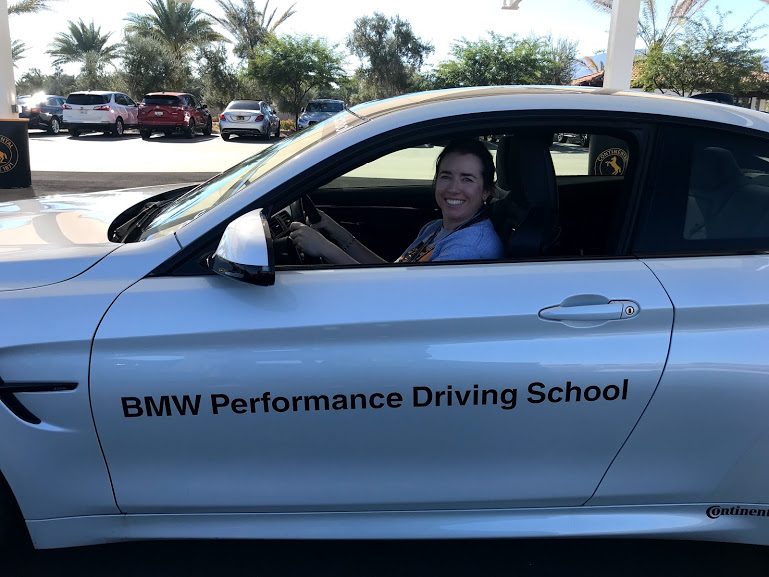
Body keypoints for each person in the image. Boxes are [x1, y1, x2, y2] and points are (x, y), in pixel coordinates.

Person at [288, 139, 505, 264]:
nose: (453, 188)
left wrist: (326, 249)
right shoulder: (436, 227)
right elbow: (390, 274)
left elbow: (397, 298)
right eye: (446, 176)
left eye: (467, 179)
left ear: (486, 190)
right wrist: (335, 231)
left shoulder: (469, 247)